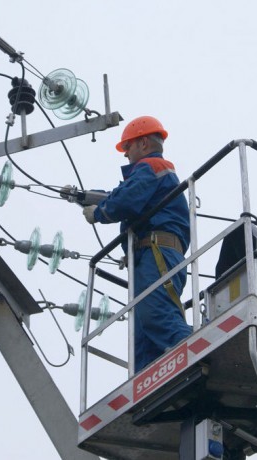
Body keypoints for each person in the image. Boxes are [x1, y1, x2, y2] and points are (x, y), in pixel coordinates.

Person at [71, 115, 192, 372]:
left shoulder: (151, 167)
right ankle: (148, 378)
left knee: (156, 312)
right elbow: (124, 195)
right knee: (143, 328)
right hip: (150, 255)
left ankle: (193, 351)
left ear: (144, 143)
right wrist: (85, 197)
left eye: (128, 147)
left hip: (156, 251)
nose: (126, 154)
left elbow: (125, 200)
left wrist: (99, 213)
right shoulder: (154, 174)